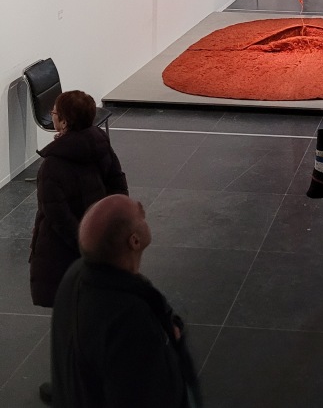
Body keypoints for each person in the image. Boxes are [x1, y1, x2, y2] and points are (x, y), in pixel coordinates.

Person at [51, 195, 202, 408]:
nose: (144, 212)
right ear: (134, 241)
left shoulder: (74, 276)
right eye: (141, 215)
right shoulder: (130, 320)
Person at [29, 90, 128, 404]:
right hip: (100, 243)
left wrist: (82, 242)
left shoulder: (53, 165)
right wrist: (109, 230)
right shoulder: (99, 143)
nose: (52, 114)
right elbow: (118, 183)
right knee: (95, 314)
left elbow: (56, 215)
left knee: (69, 324)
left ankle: (70, 388)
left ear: (65, 121)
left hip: (66, 254)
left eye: (56, 111)